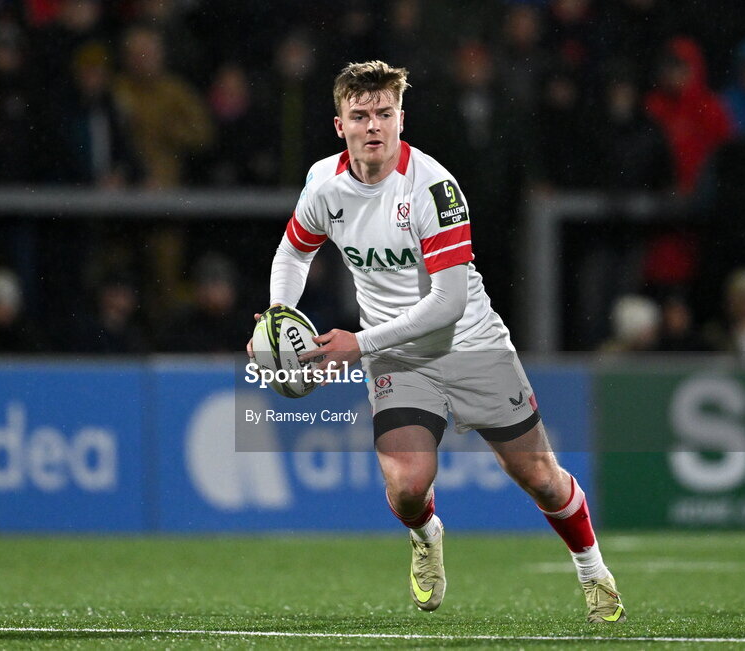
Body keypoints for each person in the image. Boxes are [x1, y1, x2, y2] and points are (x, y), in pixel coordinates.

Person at [247, 61, 625, 623]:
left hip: (469, 341)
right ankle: (426, 534)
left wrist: (360, 343)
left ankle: (592, 568)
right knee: (405, 487)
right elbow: (293, 252)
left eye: (384, 113)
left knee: (541, 479)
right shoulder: (323, 185)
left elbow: (447, 305)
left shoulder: (433, 189)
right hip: (398, 353)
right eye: (360, 115)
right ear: (339, 125)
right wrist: (281, 312)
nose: (373, 125)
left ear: (402, 118)